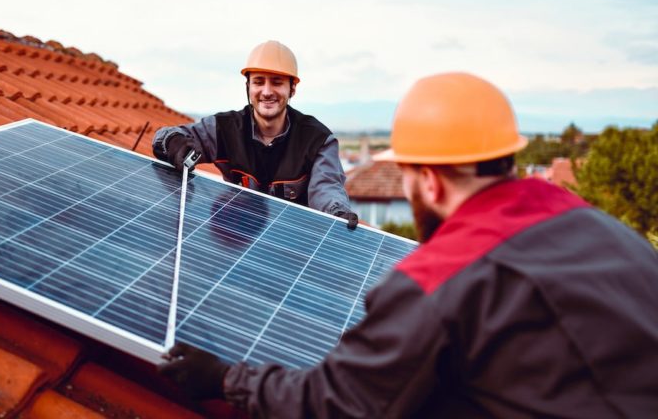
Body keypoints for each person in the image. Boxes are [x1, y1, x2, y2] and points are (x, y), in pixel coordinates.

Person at [158, 72, 658, 417]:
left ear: (430, 183)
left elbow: (341, 401)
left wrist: (226, 379)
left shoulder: (437, 282)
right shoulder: (595, 224)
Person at [152, 40, 358, 229]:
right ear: (248, 86)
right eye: (259, 82)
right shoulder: (225, 129)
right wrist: (173, 142)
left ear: (292, 88)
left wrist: (337, 213)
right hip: (241, 236)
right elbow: (167, 136)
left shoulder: (317, 140)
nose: (266, 92)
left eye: (277, 82)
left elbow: (326, 188)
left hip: (294, 243)